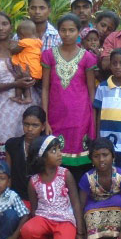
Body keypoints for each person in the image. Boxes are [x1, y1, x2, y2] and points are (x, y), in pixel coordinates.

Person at [41, 14, 97, 179]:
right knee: (56, 159)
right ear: (58, 32)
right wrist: (45, 119)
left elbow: (91, 89)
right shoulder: (49, 55)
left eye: (71, 30)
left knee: (81, 163)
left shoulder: (87, 57)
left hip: (81, 115)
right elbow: (45, 88)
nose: (67, 34)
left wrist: (92, 121)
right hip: (56, 114)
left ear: (79, 32)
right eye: (63, 30)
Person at [0, 12, 37, 160]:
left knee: (31, 153)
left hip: (30, 106)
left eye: (4, 24)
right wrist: (14, 84)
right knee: (7, 158)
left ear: (11, 27)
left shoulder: (24, 46)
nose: (0, 28)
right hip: (3, 112)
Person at [20, 136, 84, 239]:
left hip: (64, 219)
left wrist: (80, 233)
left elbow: (76, 204)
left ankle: (58, 238)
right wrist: (36, 237)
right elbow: (34, 210)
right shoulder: (34, 181)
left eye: (59, 149)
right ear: (42, 156)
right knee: (27, 231)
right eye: (54, 151)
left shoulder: (65, 174)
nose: (59, 154)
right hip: (43, 218)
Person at [78, 138, 121, 239]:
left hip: (115, 210)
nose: (101, 159)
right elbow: (80, 207)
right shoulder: (87, 178)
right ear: (91, 159)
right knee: (88, 210)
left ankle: (115, 237)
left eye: (105, 155)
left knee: (119, 202)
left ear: (113, 157)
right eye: (96, 156)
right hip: (95, 210)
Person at [11, 19, 43, 104]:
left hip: (29, 69)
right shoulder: (38, 42)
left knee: (19, 80)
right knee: (26, 83)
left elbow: (15, 50)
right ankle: (26, 97)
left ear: (21, 33)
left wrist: (10, 49)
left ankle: (20, 97)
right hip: (36, 69)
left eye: (19, 35)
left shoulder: (25, 42)